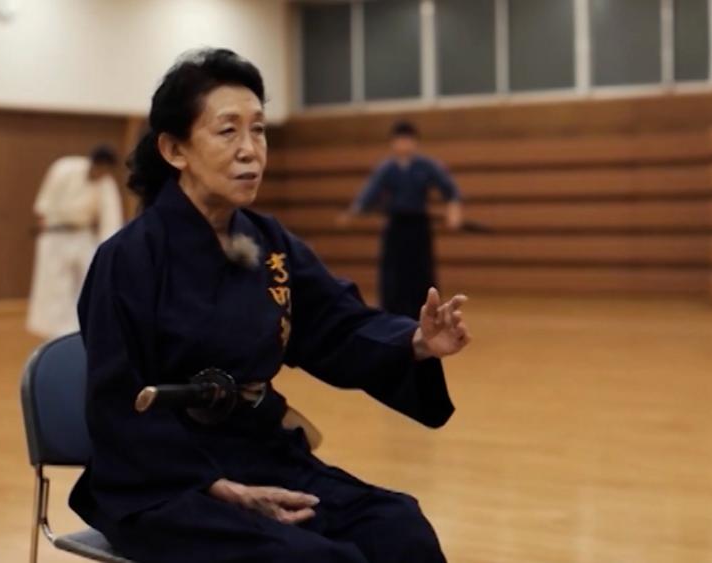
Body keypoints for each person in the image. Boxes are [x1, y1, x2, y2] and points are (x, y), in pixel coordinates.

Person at [70, 49, 471, 563]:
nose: (250, 150)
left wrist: (414, 342)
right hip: (162, 477)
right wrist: (217, 487)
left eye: (258, 130)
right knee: (313, 560)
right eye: (228, 131)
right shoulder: (128, 258)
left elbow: (335, 325)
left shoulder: (270, 244)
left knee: (399, 528)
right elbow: (116, 400)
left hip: (258, 450)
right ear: (174, 149)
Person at [339, 121, 464, 319]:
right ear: (393, 143)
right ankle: (392, 315)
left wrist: (454, 211)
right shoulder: (386, 168)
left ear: (415, 142)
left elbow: (450, 190)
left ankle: (427, 312)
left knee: (422, 270)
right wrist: (354, 212)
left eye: (408, 140)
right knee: (393, 273)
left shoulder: (427, 166)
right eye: (399, 140)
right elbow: (369, 194)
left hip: (419, 226)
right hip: (396, 226)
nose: (404, 144)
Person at [26, 145, 123, 338]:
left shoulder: (106, 183)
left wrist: (108, 248)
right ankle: (54, 332)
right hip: (55, 234)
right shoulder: (64, 168)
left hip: (82, 234)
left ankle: (83, 326)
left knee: (89, 278)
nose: (103, 174)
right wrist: (45, 223)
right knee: (55, 284)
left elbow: (111, 219)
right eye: (101, 169)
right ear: (94, 163)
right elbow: (45, 202)